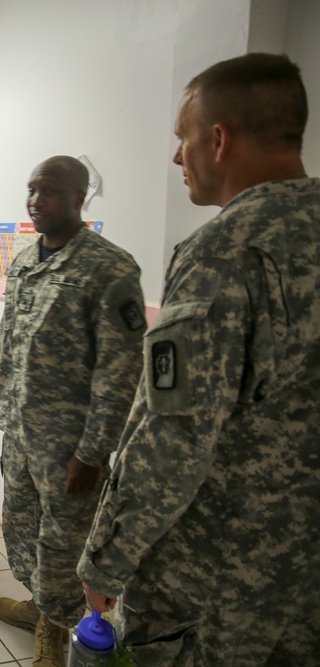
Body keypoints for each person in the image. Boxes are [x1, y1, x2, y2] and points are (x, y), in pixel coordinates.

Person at [78, 53, 320, 665]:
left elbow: (173, 432)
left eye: (182, 140)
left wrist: (107, 555)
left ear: (218, 139)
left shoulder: (224, 252)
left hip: (224, 577)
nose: (177, 157)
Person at [0, 156, 146, 667]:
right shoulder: (25, 260)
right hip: (20, 435)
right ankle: (41, 605)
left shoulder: (110, 268)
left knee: (63, 543)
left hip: (70, 447)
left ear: (78, 198)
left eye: (48, 191)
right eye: (31, 190)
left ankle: (56, 630)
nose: (35, 201)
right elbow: (6, 338)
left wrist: (92, 453)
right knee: (21, 529)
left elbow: (120, 370)